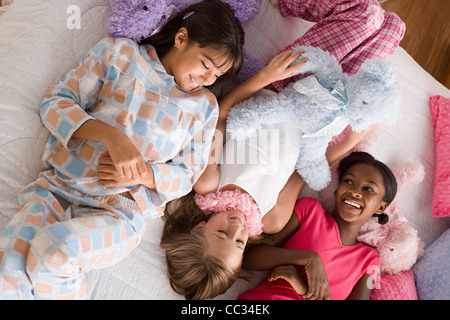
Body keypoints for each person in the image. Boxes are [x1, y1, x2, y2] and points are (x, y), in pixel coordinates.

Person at [160, 0, 405, 300]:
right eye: (239, 243)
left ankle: (290, 3)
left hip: (283, 86)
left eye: (222, 233)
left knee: (368, 16)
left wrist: (267, 76)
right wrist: (354, 137)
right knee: (392, 30)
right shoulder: (271, 219)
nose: (237, 229)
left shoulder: (208, 183)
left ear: (199, 229)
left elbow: (220, 115)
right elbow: (308, 167)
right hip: (322, 119)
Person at [0, 0, 245, 299]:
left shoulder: (204, 108)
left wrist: (143, 173)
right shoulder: (119, 54)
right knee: (6, 275)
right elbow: (55, 104)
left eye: (217, 76)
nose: (208, 80)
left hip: (119, 212)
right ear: (181, 38)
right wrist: (111, 136)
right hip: (55, 189)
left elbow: (186, 176)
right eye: (207, 65)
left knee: (55, 252)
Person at [238, 151, 397, 300]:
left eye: (368, 189)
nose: (354, 191)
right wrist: (308, 258)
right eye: (348, 181)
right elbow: (248, 258)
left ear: (380, 207)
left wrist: (303, 288)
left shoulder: (369, 260)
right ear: (337, 190)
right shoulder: (309, 210)